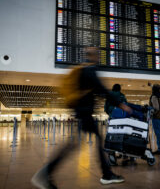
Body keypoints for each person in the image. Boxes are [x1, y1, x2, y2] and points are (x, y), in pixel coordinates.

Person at [31, 47, 132, 189]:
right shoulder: (90, 70)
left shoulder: (83, 70)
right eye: (97, 54)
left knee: (85, 142)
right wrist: (121, 105)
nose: (98, 57)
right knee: (76, 144)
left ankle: (107, 174)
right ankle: (45, 174)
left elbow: (97, 91)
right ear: (93, 56)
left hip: (81, 111)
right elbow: (102, 90)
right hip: (84, 113)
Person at [149, 84, 160, 155]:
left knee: (158, 133)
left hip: (156, 117)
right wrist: (151, 85)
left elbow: (156, 108)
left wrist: (151, 114)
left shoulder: (154, 96)